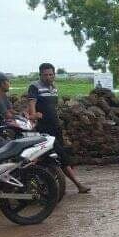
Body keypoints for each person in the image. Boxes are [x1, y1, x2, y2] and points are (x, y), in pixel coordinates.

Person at [26, 63, 90, 194]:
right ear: (40, 75)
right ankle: (78, 185)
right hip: (43, 129)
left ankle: (52, 185)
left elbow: (53, 109)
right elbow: (32, 105)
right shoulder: (35, 87)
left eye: (51, 74)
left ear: (54, 75)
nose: (48, 77)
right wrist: (33, 115)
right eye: (45, 75)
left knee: (54, 157)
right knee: (61, 156)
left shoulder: (54, 88)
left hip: (55, 128)